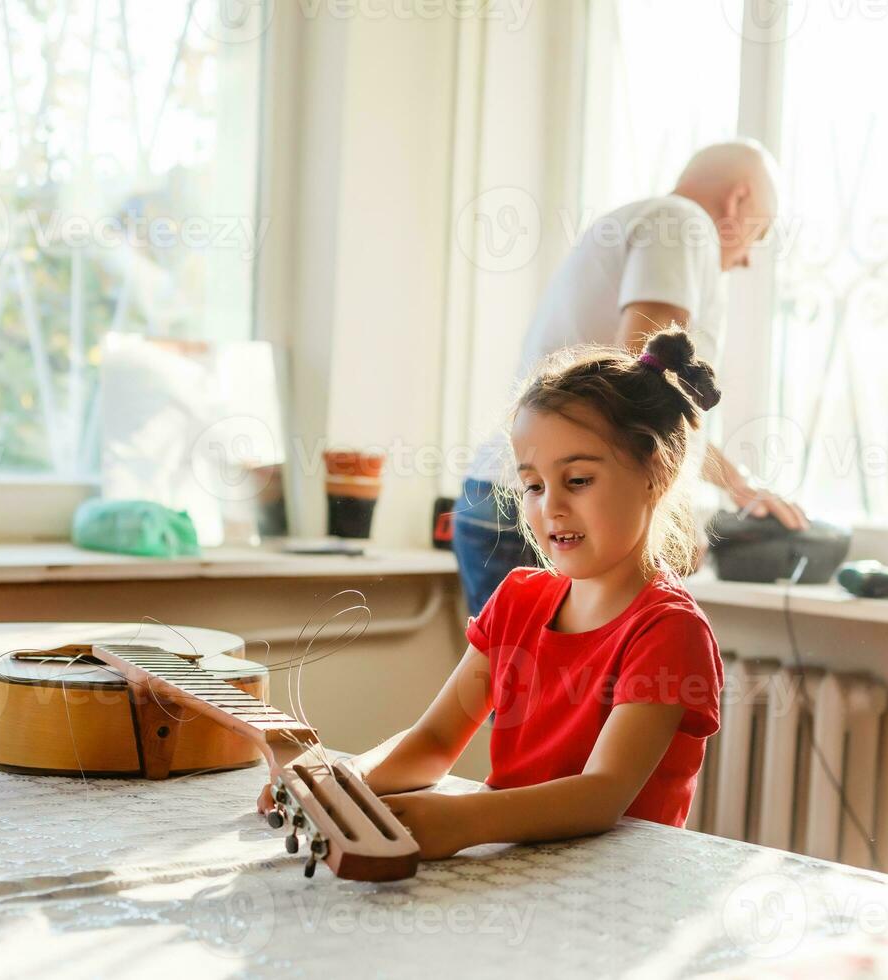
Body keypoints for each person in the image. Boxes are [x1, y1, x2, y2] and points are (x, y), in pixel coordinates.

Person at [346, 330, 725, 858]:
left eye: (578, 480)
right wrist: (342, 782)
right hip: (515, 871)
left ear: (654, 475)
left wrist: (462, 819)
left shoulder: (669, 630)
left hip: (618, 892)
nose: (551, 508)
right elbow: (433, 743)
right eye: (534, 485)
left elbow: (602, 794)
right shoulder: (517, 599)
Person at [453, 139, 810, 616]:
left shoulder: (646, 222)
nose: (747, 258)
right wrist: (676, 519)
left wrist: (737, 486)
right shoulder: (684, 224)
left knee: (524, 689)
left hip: (523, 497)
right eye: (759, 233)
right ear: (737, 199)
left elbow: (649, 382)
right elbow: (633, 393)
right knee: (553, 691)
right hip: (545, 508)